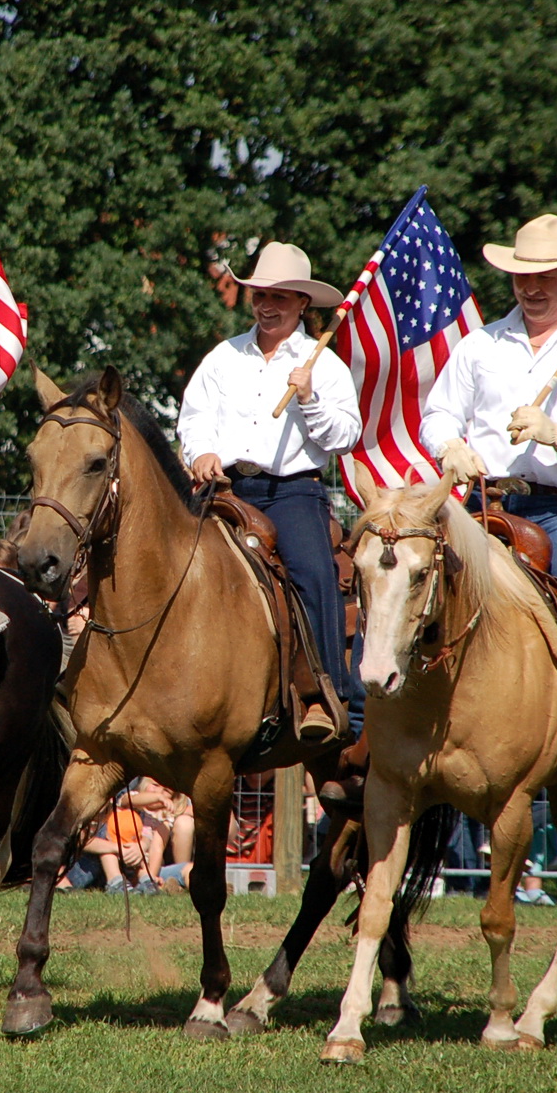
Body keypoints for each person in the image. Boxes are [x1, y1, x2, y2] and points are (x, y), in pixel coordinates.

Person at [420, 213, 557, 835]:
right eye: (524, 275)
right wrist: (449, 448)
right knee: (403, 597)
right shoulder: (481, 344)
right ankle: (378, 747)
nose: (533, 286)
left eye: (548, 275)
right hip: (484, 507)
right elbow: (436, 412)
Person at [177, 241, 361, 743]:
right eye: (260, 293)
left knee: (312, 573)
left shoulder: (323, 364)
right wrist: (201, 454)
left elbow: (345, 435)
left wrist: (309, 398)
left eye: (280, 296)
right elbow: (193, 419)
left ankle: (323, 695)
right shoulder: (223, 357)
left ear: (303, 303)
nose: (267, 304)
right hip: (228, 490)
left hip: (293, 494)